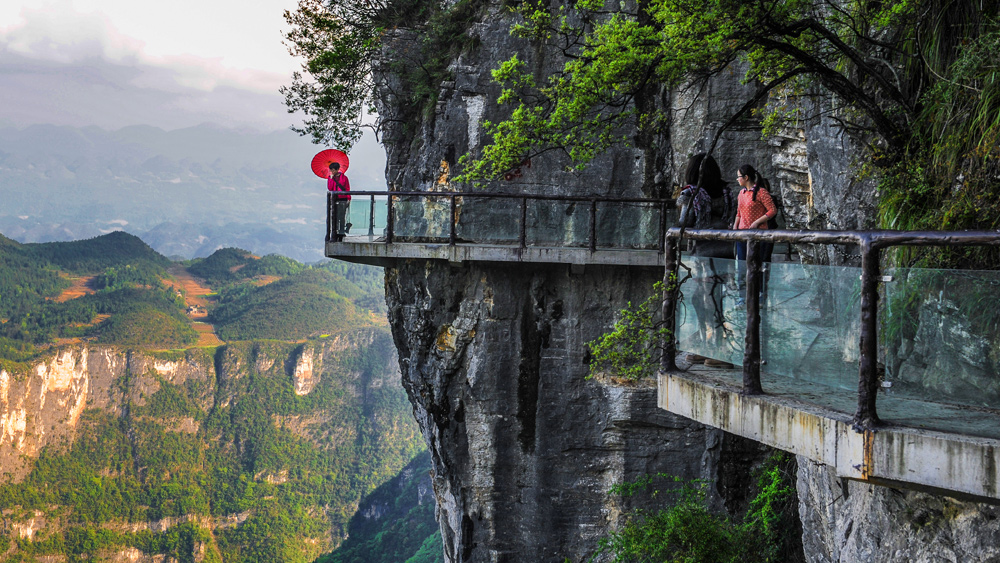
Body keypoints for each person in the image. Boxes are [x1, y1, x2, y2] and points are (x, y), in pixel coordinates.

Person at [732, 164, 777, 304]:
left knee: (758, 266)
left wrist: (757, 222)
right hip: (742, 235)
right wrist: (735, 228)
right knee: (741, 266)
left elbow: (772, 210)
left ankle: (760, 296)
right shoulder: (741, 193)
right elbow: (738, 213)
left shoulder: (761, 192)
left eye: (739, 176)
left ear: (746, 177)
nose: (737, 179)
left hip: (758, 235)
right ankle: (742, 297)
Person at [327, 162, 351, 242]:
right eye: (331, 170)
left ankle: (341, 232)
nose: (332, 172)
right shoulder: (330, 178)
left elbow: (347, 188)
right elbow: (330, 188)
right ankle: (335, 233)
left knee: (342, 217)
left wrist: (348, 198)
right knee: (334, 217)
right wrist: (330, 179)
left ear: (337, 169)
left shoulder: (344, 178)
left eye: (333, 170)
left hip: (343, 199)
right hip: (334, 199)